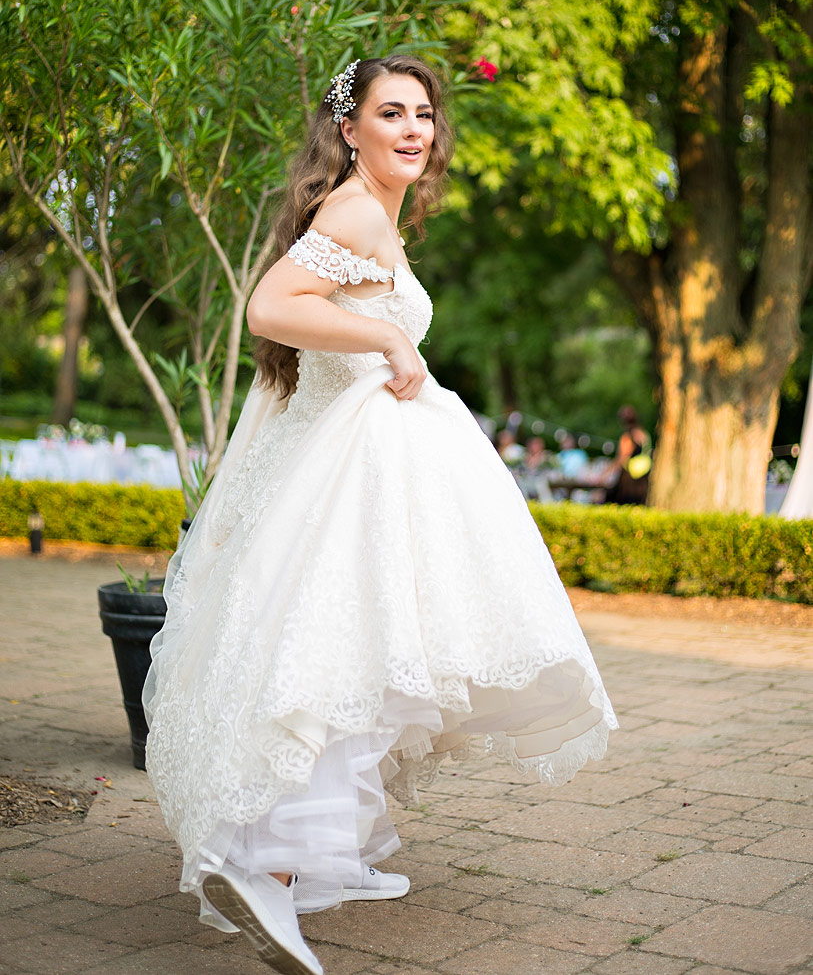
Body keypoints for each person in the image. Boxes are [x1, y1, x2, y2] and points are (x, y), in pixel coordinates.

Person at [142, 54, 618, 975]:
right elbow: (271, 307)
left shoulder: (375, 218)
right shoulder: (356, 210)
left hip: (364, 459)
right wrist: (387, 331)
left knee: (361, 653)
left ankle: (329, 853)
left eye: (424, 115)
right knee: (339, 656)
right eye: (390, 113)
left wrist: (380, 329)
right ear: (348, 129)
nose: (412, 128)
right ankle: (269, 873)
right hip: (355, 470)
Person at [597, 405, 652, 505]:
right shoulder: (644, 434)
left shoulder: (627, 436)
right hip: (643, 478)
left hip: (629, 481)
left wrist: (603, 475)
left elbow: (621, 458)